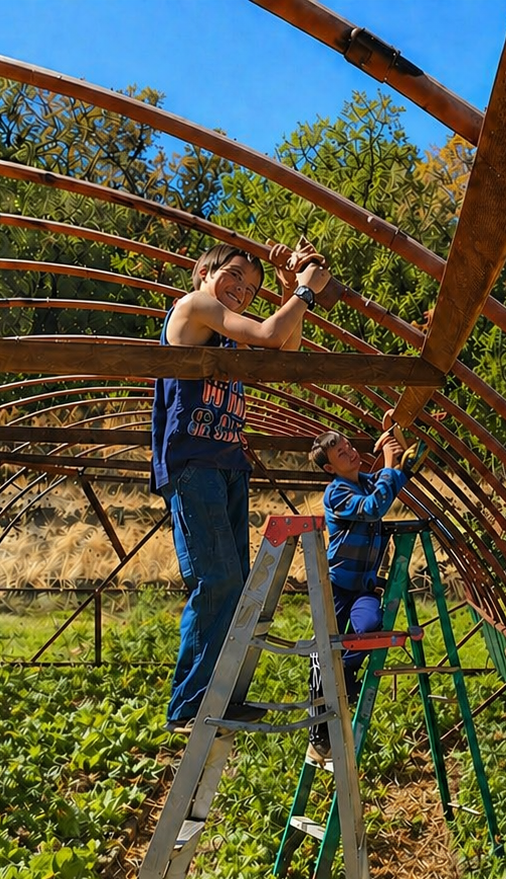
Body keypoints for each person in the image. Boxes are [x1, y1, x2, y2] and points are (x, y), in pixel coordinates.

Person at [154, 240, 330, 729]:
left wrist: (286, 290)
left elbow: (285, 353)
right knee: (218, 581)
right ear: (205, 273)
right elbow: (274, 335)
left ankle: (217, 697)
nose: (241, 291)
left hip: (228, 462)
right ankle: (188, 707)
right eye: (234, 276)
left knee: (234, 585)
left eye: (251, 289)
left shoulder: (231, 334)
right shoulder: (194, 307)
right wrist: (304, 291)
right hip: (194, 463)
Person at [307, 418, 422, 757]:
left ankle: (344, 673)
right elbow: (374, 508)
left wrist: (406, 459)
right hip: (337, 587)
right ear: (331, 467)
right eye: (342, 453)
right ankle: (319, 736)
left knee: (369, 628)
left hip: (363, 588)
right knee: (321, 656)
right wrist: (390, 462)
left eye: (350, 447)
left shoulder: (370, 481)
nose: (351, 453)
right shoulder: (338, 493)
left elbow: (397, 477)